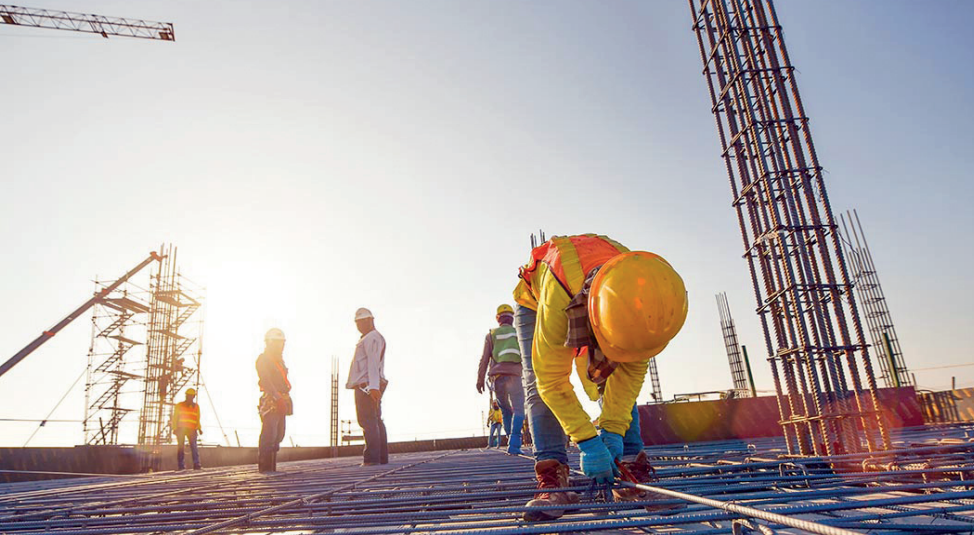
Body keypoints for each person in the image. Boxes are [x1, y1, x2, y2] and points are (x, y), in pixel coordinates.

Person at [512, 234, 688, 521]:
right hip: (539, 300)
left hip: (601, 291)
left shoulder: (644, 293)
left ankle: (629, 468)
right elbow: (551, 381)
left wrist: (613, 431)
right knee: (535, 381)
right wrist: (588, 441)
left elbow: (630, 372)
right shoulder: (559, 299)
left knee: (617, 367)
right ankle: (554, 479)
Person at [476, 304, 526, 454]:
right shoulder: (518, 333)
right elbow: (526, 357)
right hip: (515, 376)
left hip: (498, 378)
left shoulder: (491, 334)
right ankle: (515, 444)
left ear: (498, 319)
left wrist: (479, 380)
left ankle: (510, 439)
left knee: (505, 410)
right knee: (518, 409)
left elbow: (484, 359)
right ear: (512, 318)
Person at [346, 307, 389, 466]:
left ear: (368, 321)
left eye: (360, 322)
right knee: (376, 420)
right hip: (370, 384)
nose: (358, 326)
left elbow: (372, 363)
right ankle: (381, 458)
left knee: (368, 421)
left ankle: (372, 459)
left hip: (366, 386)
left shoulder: (372, 338)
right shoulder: (372, 338)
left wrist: (373, 387)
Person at [256, 327, 292, 474]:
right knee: (269, 433)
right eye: (278, 343)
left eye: (282, 343)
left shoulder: (280, 361)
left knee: (279, 433)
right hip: (271, 400)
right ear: (270, 343)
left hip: (282, 398)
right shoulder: (263, 359)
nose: (281, 346)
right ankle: (265, 468)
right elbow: (265, 379)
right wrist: (277, 397)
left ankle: (272, 466)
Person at [172, 388, 202, 470]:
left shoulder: (196, 406)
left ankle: (196, 464)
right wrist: (174, 428)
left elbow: (197, 418)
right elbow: (175, 418)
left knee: (194, 447)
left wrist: (199, 428)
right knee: (181, 447)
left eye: (191, 396)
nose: (189, 397)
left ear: (193, 397)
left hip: (192, 429)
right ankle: (181, 465)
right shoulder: (179, 405)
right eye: (188, 396)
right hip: (181, 429)